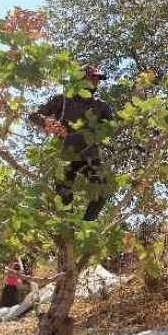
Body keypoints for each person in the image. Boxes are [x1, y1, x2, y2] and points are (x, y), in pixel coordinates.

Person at [28, 64, 115, 221]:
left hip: (90, 157)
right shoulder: (62, 100)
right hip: (65, 155)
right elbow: (33, 115)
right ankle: (68, 230)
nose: (97, 81)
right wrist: (46, 122)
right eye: (93, 77)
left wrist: (105, 130)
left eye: (98, 79)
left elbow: (113, 128)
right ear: (80, 79)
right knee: (64, 197)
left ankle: (85, 226)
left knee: (103, 191)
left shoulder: (101, 106)